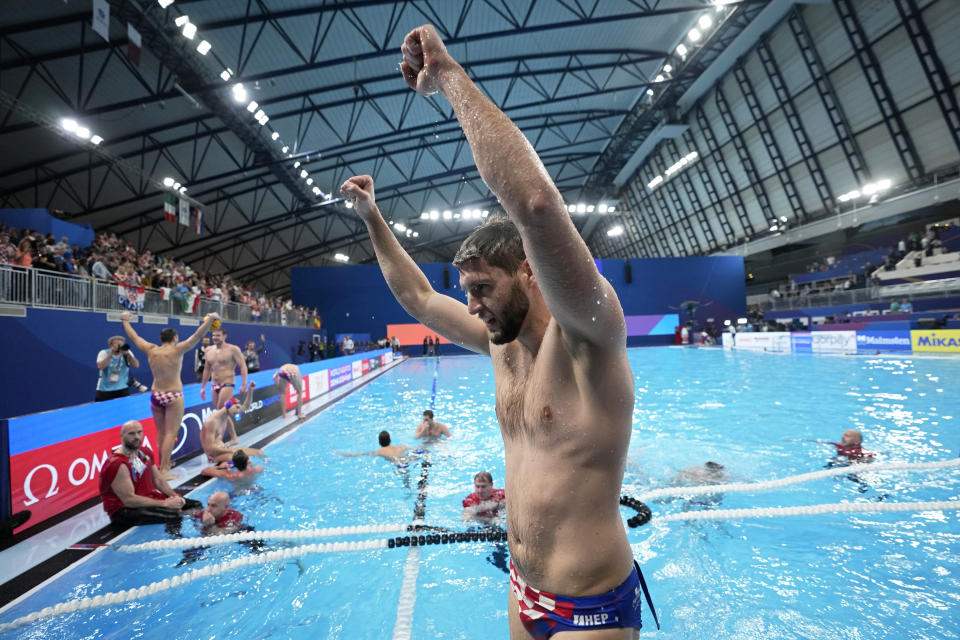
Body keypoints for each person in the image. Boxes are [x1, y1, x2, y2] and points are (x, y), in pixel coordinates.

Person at [340, 24, 656, 638]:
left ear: (530, 273)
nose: (473, 304)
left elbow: (536, 203)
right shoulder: (500, 343)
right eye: (469, 291)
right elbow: (418, 296)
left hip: (589, 605)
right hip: (522, 589)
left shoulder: (590, 336)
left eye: (484, 288)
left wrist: (449, 79)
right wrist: (371, 215)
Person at [121, 311, 217, 478]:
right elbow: (197, 335)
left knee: (161, 432)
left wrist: (124, 321)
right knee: (171, 433)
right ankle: (164, 470)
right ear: (175, 338)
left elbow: (135, 337)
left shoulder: (151, 350)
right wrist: (210, 320)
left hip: (156, 395)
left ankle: (163, 463)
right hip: (173, 395)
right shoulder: (177, 350)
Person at [98, 420, 201, 528]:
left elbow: (158, 480)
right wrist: (165, 503)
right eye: (131, 434)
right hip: (123, 511)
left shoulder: (145, 453)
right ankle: (176, 541)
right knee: (174, 515)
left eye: (139, 432)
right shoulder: (117, 464)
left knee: (194, 505)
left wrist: (175, 496)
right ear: (122, 436)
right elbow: (129, 500)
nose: (137, 437)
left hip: (147, 499)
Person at [200, 383, 265, 464]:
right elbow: (209, 448)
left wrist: (250, 390)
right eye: (237, 408)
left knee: (259, 452)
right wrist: (230, 450)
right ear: (228, 405)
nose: (238, 411)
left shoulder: (226, 415)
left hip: (224, 450)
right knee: (246, 460)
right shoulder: (212, 421)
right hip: (214, 456)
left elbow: (246, 406)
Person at [200, 326, 248, 409]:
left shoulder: (233, 349)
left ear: (225, 336)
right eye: (213, 335)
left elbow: (243, 366)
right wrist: (203, 387)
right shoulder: (208, 350)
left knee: (221, 410)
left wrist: (244, 384)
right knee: (221, 412)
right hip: (214, 385)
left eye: (218, 335)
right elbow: (207, 369)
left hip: (227, 384)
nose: (215, 338)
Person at [95, 335, 140, 401]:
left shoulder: (127, 353)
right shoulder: (104, 353)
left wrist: (128, 354)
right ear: (110, 346)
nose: (120, 346)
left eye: (121, 344)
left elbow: (136, 365)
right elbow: (100, 366)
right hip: (105, 389)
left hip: (122, 388)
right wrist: (111, 354)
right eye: (118, 344)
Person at [338, 430, 412, 460]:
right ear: (390, 440)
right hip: (407, 459)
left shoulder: (379, 452)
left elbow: (358, 454)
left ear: (379, 443)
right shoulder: (401, 447)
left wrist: (344, 454)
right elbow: (414, 449)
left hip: (398, 464)